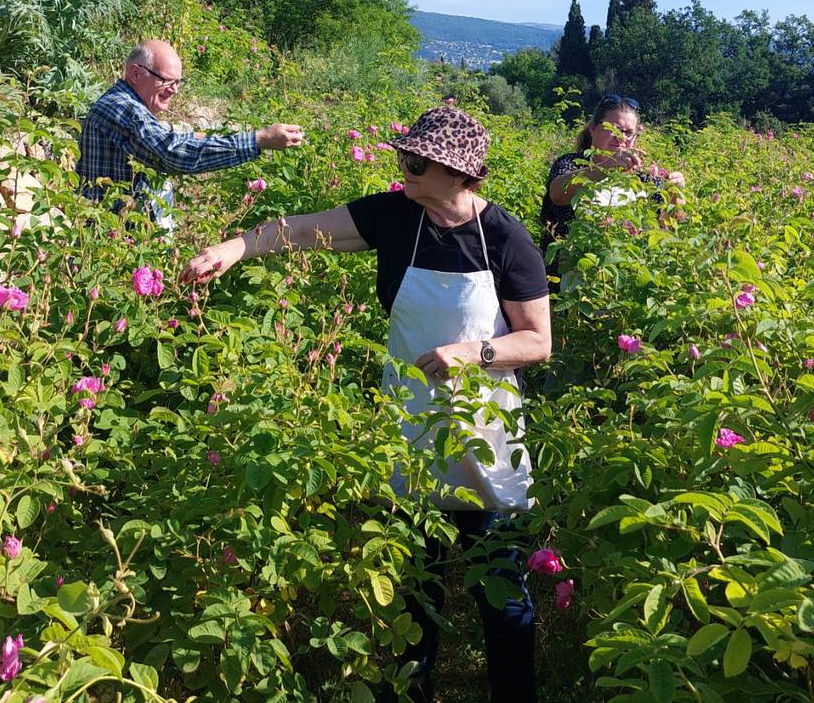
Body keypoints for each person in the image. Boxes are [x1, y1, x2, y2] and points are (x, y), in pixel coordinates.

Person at [182, 105, 551, 702]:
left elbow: (537, 341)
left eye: (417, 160)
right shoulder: (395, 215)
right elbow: (300, 229)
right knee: (414, 582)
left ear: (458, 174)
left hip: (482, 424)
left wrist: (472, 353)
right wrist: (237, 248)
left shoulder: (505, 237)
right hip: (408, 417)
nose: (402, 165)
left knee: (500, 585)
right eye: (405, 154)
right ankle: (411, 692)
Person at [76, 39, 303, 224]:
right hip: (110, 241)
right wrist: (258, 140)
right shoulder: (122, 108)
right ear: (136, 73)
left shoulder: (127, 105)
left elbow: (162, 138)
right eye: (167, 81)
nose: (174, 90)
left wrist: (206, 136)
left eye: (178, 82)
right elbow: (171, 152)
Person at [540, 95, 683, 267]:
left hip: (627, 276)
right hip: (571, 277)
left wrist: (675, 196)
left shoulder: (644, 178)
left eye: (629, 132)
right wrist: (607, 167)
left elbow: (669, 225)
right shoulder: (572, 163)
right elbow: (557, 194)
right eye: (614, 129)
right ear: (593, 129)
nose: (621, 138)